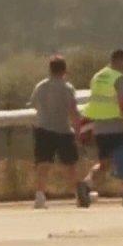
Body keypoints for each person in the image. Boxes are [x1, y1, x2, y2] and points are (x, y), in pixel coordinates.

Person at [82, 49, 123, 206]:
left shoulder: (98, 76)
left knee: (104, 163)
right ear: (120, 60)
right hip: (117, 126)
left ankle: (87, 184)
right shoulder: (119, 78)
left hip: (101, 127)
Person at [29, 55, 88, 208]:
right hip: (63, 130)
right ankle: (78, 195)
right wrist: (78, 131)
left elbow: (34, 105)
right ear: (64, 70)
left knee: (43, 164)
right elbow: (73, 111)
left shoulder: (40, 86)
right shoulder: (67, 88)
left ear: (50, 69)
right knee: (70, 165)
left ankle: (40, 197)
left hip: (43, 129)